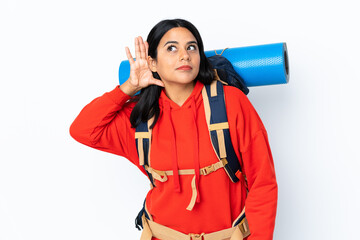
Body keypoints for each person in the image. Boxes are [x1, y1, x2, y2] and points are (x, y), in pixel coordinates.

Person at [70, 19, 278, 240]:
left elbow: (263, 184)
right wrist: (129, 87)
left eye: (191, 47)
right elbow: (83, 130)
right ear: (152, 63)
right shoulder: (140, 117)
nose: (184, 55)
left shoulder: (230, 103)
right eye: (171, 48)